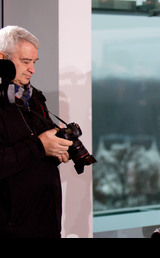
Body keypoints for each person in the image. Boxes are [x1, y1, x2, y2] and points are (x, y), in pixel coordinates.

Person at [0, 25, 73, 237]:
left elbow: (40, 149)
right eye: (25, 61)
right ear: (2, 58)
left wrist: (58, 149)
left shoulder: (35, 98)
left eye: (34, 62)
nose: (32, 69)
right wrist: (40, 145)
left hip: (47, 224)